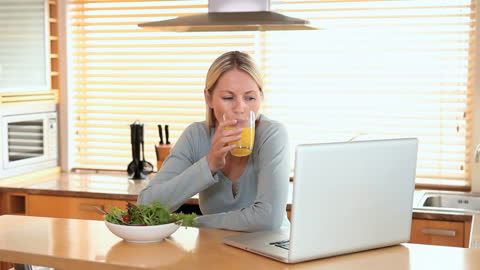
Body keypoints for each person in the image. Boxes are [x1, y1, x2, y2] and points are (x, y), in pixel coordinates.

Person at [138, 51, 290, 232]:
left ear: (261, 98)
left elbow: (267, 219)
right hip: (215, 251)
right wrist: (209, 164)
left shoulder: (272, 135)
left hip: (270, 251)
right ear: (208, 98)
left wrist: (191, 223)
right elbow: (147, 206)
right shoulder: (195, 136)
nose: (240, 108)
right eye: (228, 97)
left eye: (250, 98)